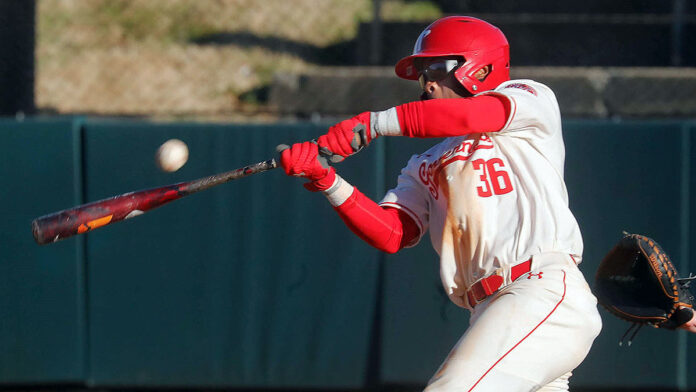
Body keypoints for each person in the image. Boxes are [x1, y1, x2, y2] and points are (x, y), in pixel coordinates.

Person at [280, 16, 603, 391]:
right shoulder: (425, 161)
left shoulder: (528, 98)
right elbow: (393, 233)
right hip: (490, 310)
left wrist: (373, 123)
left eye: (437, 67)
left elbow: (472, 114)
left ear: (480, 66)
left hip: (539, 290)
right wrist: (328, 182)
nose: (427, 82)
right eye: (422, 72)